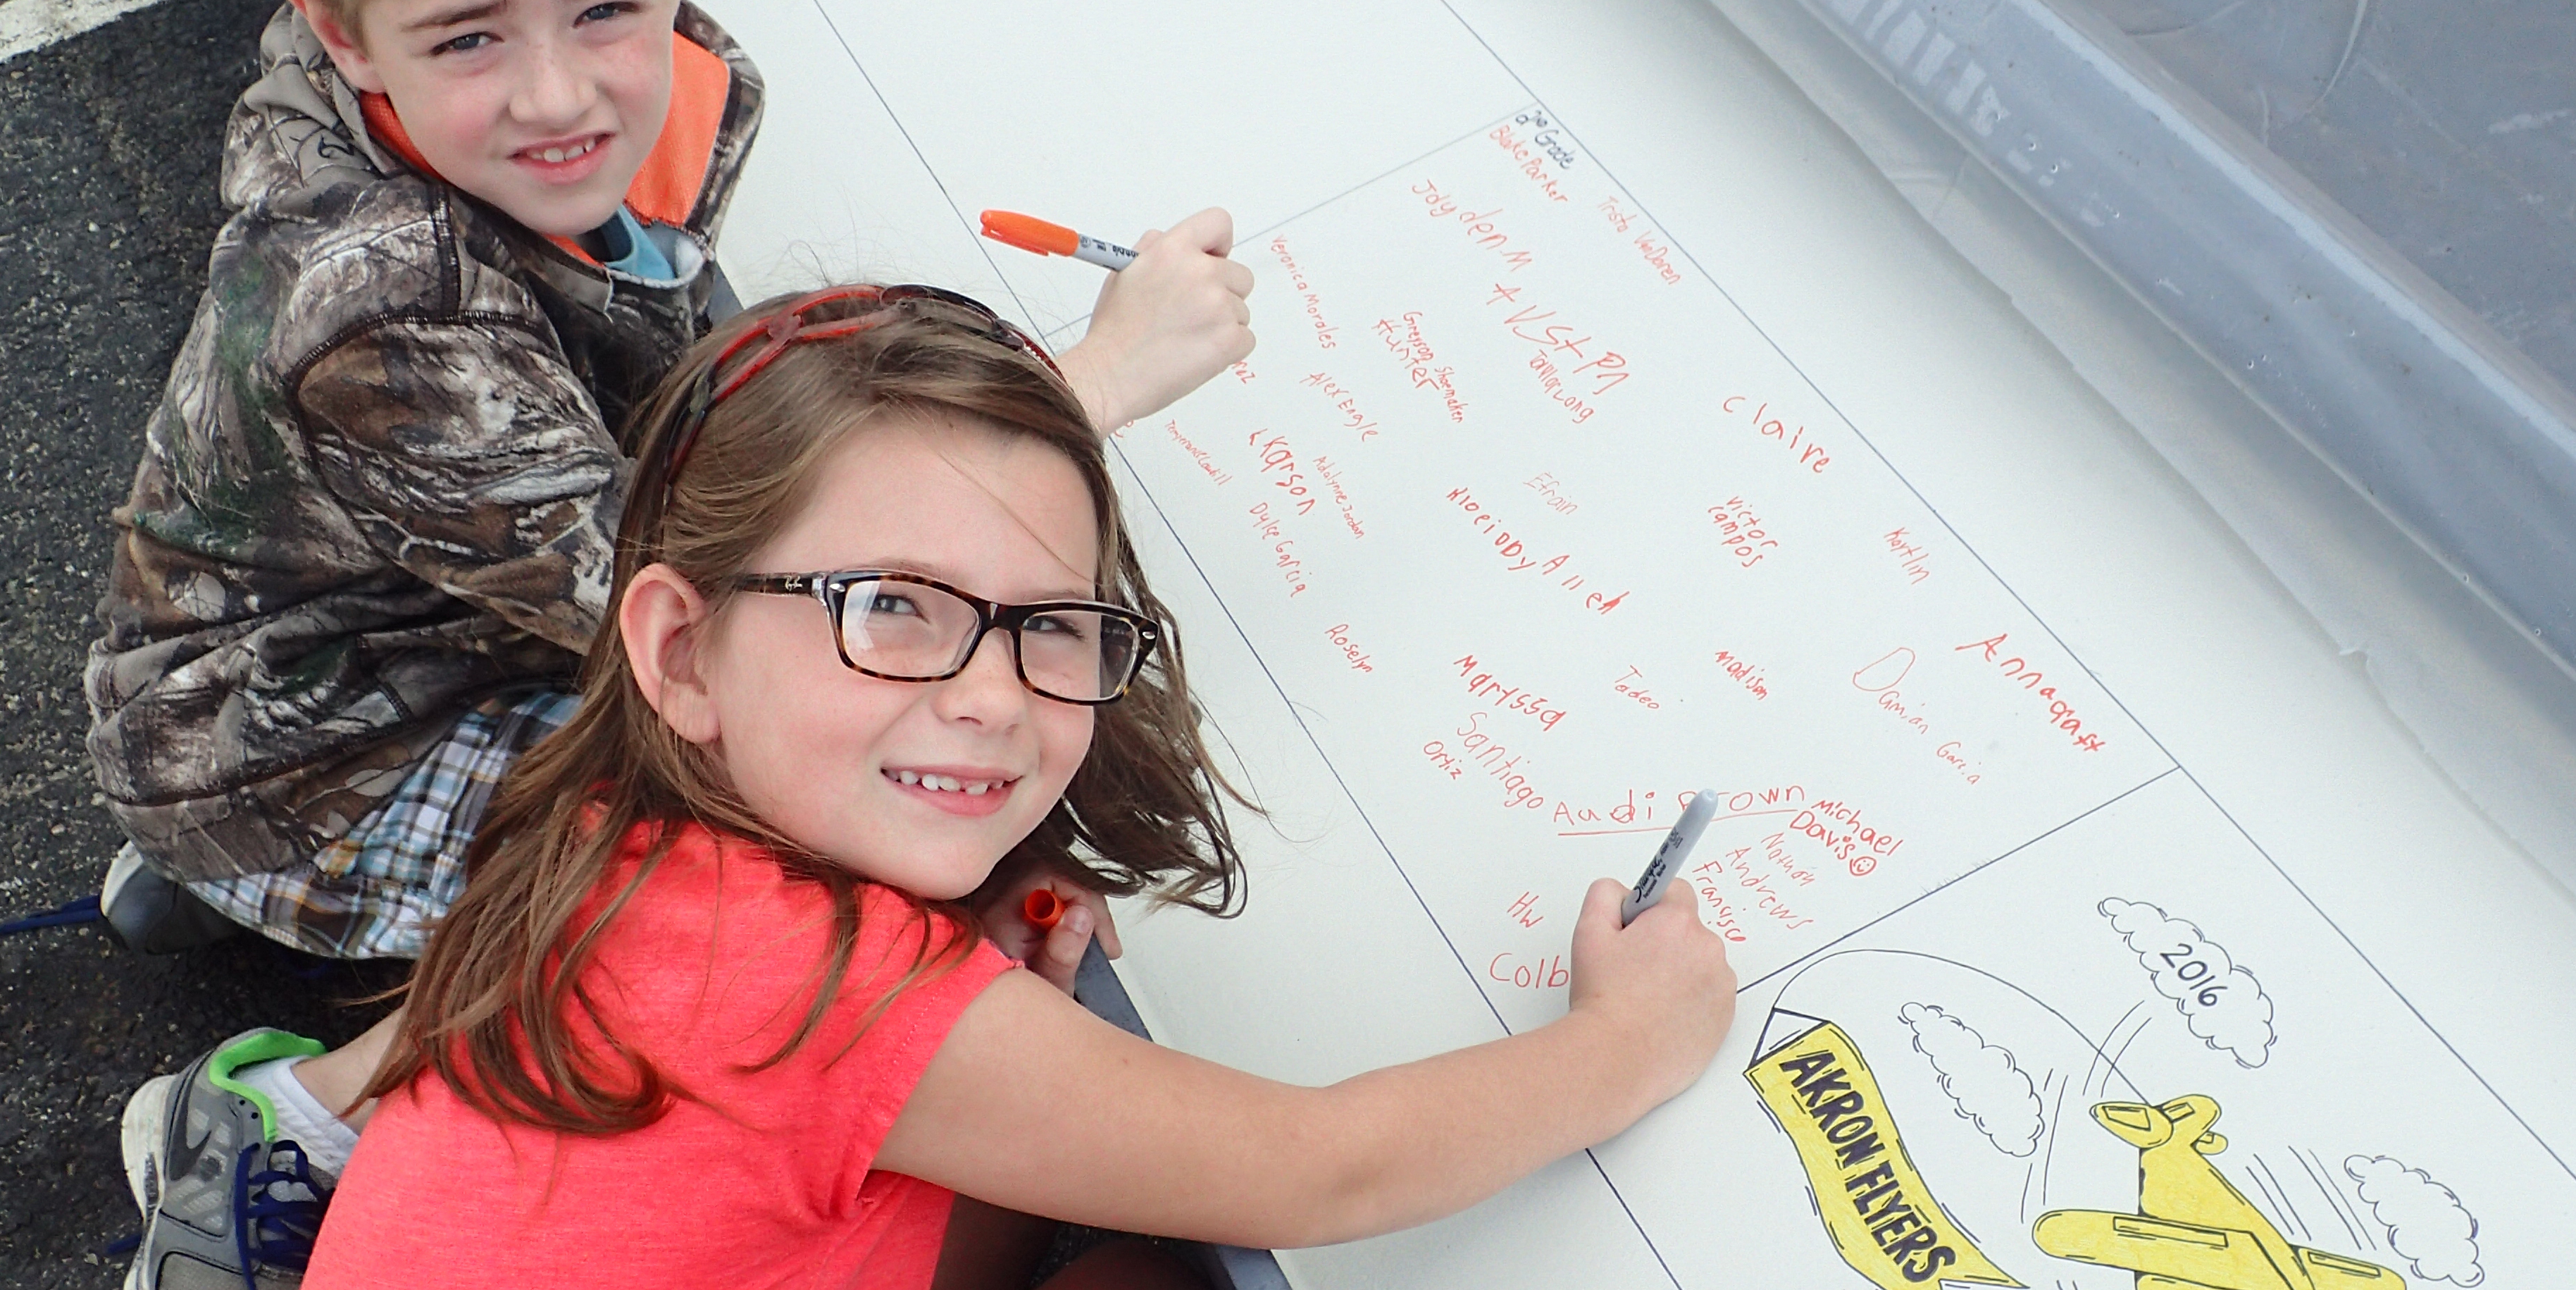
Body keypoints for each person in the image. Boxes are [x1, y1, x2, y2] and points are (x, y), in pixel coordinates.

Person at [94, 0, 1252, 1286]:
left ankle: (261, 912)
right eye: (471, 38)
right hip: (293, 743)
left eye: (603, 9)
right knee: (724, 832)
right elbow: (680, 598)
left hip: (416, 626)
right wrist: (1093, 383)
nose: (562, 93)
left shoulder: (630, 103)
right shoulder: (374, 305)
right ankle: (283, 1128)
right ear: (337, 26)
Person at [281, 287, 1736, 1289]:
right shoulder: (812, 986)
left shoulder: (624, 835)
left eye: (1051, 624)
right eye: (893, 609)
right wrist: (1626, 1046)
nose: (989, 692)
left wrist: (987, 1010)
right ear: (683, 650)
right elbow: (1322, 1173)